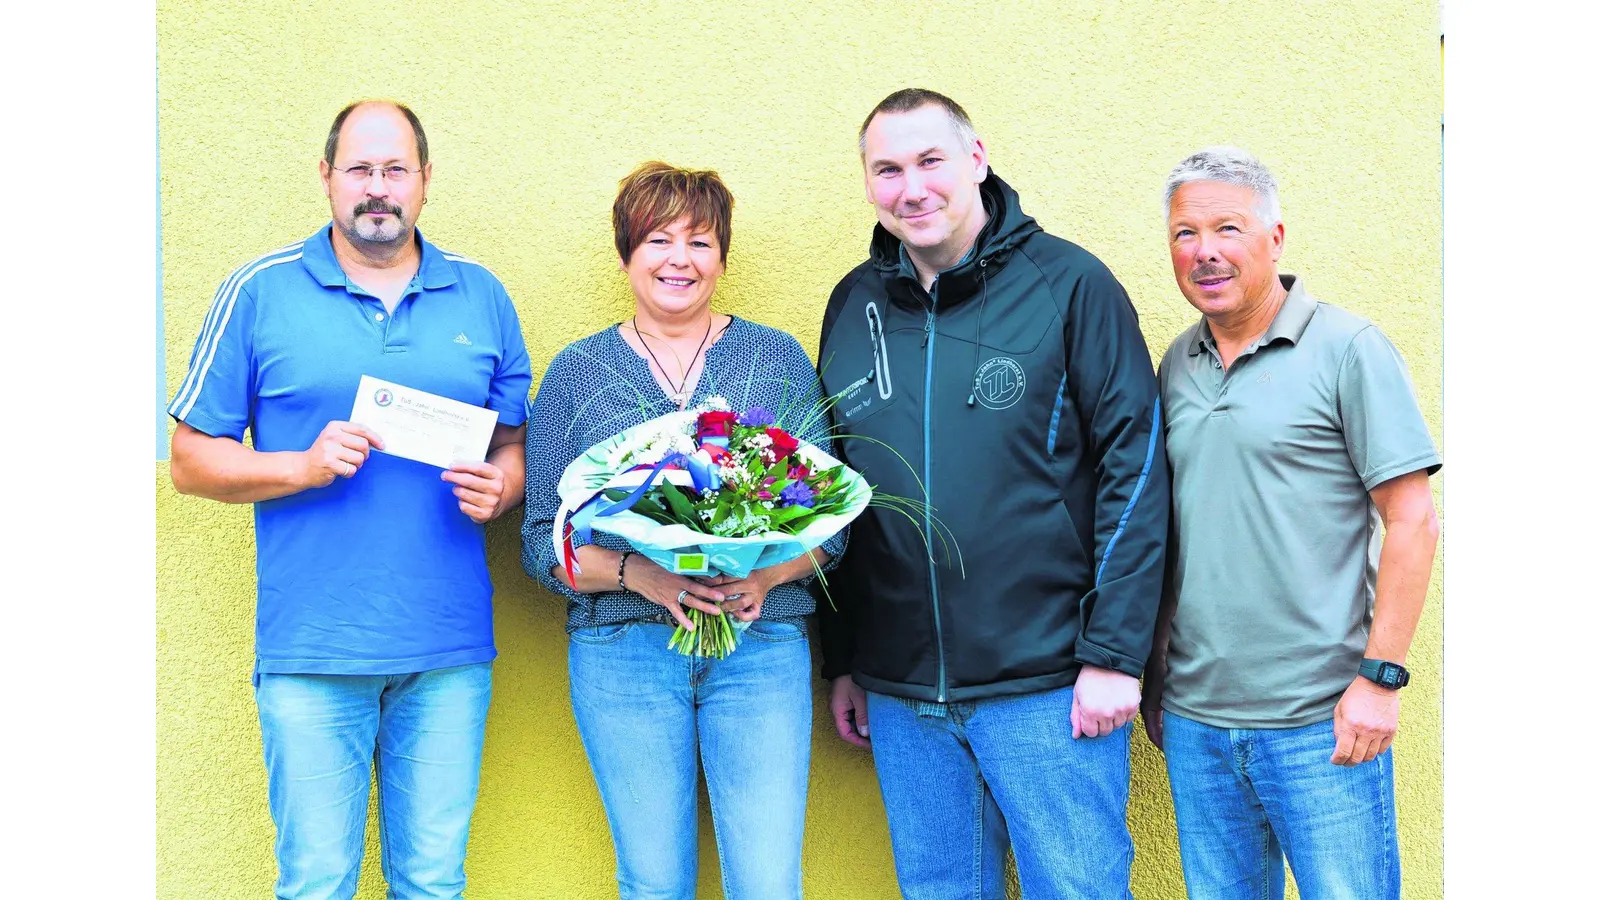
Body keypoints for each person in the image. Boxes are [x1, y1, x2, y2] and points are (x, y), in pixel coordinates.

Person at [166, 100, 531, 900]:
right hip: (314, 652)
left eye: (395, 169)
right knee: (316, 884)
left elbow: (514, 445)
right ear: (327, 177)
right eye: (359, 169)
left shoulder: (481, 296)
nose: (377, 188)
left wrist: (505, 487)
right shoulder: (259, 292)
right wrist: (299, 465)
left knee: (434, 884)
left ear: (425, 182)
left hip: (445, 650)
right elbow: (189, 461)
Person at [814, 88, 1169, 899]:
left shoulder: (1071, 285)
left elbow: (1136, 469)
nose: (913, 187)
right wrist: (847, 658)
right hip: (902, 695)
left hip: (1047, 686)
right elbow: (834, 488)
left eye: (931, 160)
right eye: (888, 169)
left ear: (976, 159)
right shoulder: (853, 302)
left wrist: (1115, 655)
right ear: (869, 183)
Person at [520, 161, 845, 900]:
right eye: (658, 240)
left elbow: (833, 520)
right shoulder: (577, 373)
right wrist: (648, 577)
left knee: (767, 882)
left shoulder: (776, 359)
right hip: (623, 652)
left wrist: (760, 574)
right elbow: (543, 539)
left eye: (699, 242)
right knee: (653, 881)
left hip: (759, 648)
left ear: (723, 257)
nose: (679, 259)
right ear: (627, 253)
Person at [1141, 146, 1442, 900]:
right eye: (1184, 234)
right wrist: (1154, 669)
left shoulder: (1349, 350)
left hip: (1323, 720)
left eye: (1226, 228)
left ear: (1275, 238)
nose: (1204, 251)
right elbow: (1177, 529)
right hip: (1196, 719)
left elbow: (1413, 520)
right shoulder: (1178, 364)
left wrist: (1380, 680)